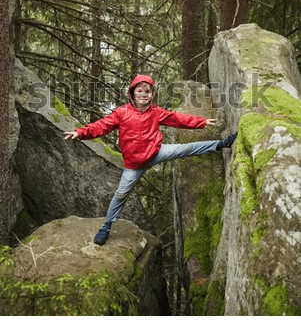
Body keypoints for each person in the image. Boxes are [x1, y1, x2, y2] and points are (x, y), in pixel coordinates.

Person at [64, 75, 237, 246]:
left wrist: (201, 122)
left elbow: (176, 119)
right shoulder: (121, 113)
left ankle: (222, 143)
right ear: (132, 93)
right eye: (139, 90)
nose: (143, 94)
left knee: (187, 148)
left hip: (156, 152)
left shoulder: (155, 112)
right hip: (134, 165)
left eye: (147, 91)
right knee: (121, 194)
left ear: (152, 94)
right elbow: (101, 126)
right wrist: (80, 132)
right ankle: (106, 226)